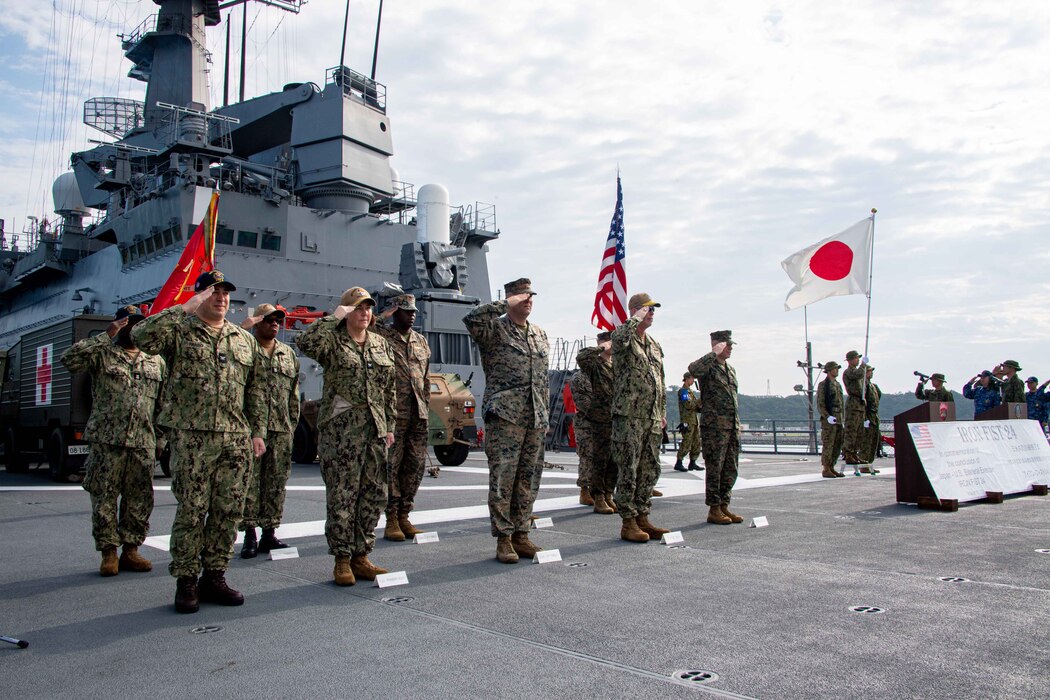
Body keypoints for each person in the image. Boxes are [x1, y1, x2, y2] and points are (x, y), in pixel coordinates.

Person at [131, 271, 267, 614]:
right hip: (193, 438)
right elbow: (141, 336)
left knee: (228, 511)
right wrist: (183, 308)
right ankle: (187, 580)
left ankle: (215, 576)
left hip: (235, 438)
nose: (221, 297)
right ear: (199, 296)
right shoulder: (180, 330)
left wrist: (258, 432)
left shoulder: (242, 338)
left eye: (225, 292)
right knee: (192, 511)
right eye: (212, 291)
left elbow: (257, 389)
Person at [296, 287, 396, 585]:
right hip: (341, 433)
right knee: (342, 496)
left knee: (373, 494)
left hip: (374, 432)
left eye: (367, 308)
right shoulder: (332, 341)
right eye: (357, 308)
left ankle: (361, 555)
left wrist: (389, 425)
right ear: (347, 312)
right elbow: (305, 341)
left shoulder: (380, 344)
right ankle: (341, 559)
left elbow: (388, 388)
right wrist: (334, 316)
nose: (364, 313)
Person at [61, 306, 165, 577]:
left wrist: (161, 440)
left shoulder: (155, 361)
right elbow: (69, 360)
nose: (132, 328)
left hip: (142, 441)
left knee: (140, 499)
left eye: (137, 323)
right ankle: (109, 552)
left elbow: (163, 404)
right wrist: (106, 336)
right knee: (104, 497)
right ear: (118, 325)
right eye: (126, 323)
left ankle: (131, 550)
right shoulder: (102, 354)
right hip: (107, 440)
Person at [463, 279, 549, 563]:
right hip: (505, 415)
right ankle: (503, 539)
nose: (528, 300)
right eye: (523, 296)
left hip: (535, 415)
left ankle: (521, 534)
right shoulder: (494, 329)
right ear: (510, 298)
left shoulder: (539, 334)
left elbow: (542, 380)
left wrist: (544, 414)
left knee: (529, 477)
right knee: (503, 478)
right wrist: (504, 304)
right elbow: (471, 318)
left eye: (531, 296)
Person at [238, 304, 300, 559]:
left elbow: (294, 394)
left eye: (278, 321)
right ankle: (249, 535)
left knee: (276, 483)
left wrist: (291, 425)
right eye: (269, 320)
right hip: (251, 429)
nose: (275, 324)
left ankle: (269, 533)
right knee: (250, 484)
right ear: (257, 323)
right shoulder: (245, 349)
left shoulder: (287, 354)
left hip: (280, 428)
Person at [373, 294, 431, 542]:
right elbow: (365, 326)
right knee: (391, 467)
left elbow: (425, 377)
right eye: (406, 311)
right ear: (396, 312)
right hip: (394, 415)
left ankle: (406, 514)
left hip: (418, 413)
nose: (412, 314)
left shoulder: (421, 341)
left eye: (414, 311)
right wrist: (383, 315)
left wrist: (426, 405)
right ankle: (392, 518)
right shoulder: (382, 336)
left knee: (415, 466)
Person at [612, 294, 669, 541]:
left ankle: (643, 516)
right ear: (635, 311)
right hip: (629, 416)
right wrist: (633, 320)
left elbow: (661, 381)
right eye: (647, 309)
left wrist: (662, 412)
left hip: (651, 417)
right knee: (629, 469)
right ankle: (628, 522)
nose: (652, 312)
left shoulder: (654, 344)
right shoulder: (624, 336)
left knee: (650, 469)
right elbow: (619, 340)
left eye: (654, 309)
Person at [688, 330, 743, 524]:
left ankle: (724, 506)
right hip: (714, 427)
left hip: (731, 426)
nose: (730, 349)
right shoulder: (708, 367)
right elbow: (693, 369)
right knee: (715, 468)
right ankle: (714, 508)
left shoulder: (730, 369)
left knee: (730, 468)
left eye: (730, 346)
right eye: (727, 345)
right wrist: (713, 353)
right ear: (717, 345)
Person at [572, 331, 615, 514]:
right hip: (587, 422)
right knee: (588, 456)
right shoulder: (581, 376)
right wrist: (599, 414)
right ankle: (585, 489)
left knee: (609, 458)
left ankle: (606, 493)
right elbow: (582, 401)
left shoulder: (613, 368)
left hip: (607, 420)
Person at [816, 361, 845, 478]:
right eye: (835, 368)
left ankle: (832, 466)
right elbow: (820, 403)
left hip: (838, 418)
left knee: (837, 443)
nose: (837, 370)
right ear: (829, 370)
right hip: (829, 418)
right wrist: (827, 416)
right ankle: (826, 468)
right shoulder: (824, 385)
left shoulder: (838, 384)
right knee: (829, 443)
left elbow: (841, 403)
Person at [674, 373, 702, 472]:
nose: (693, 381)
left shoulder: (690, 392)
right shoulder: (683, 392)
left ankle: (693, 462)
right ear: (687, 379)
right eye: (692, 379)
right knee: (687, 442)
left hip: (694, 421)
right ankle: (679, 462)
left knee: (696, 442)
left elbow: (696, 407)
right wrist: (700, 400)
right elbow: (688, 405)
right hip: (687, 421)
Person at [841, 350, 865, 466]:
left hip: (859, 403)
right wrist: (863, 366)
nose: (858, 360)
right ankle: (848, 453)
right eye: (856, 358)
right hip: (853, 403)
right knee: (851, 431)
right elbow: (858, 375)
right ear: (850, 360)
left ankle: (855, 453)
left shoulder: (856, 371)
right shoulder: (848, 372)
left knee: (859, 431)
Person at [857, 365, 882, 473]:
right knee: (866, 442)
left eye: (871, 371)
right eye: (869, 371)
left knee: (874, 442)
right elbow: (863, 403)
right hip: (867, 416)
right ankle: (863, 464)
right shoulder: (863, 386)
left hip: (874, 416)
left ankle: (869, 463)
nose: (871, 373)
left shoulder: (872, 385)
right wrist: (865, 418)